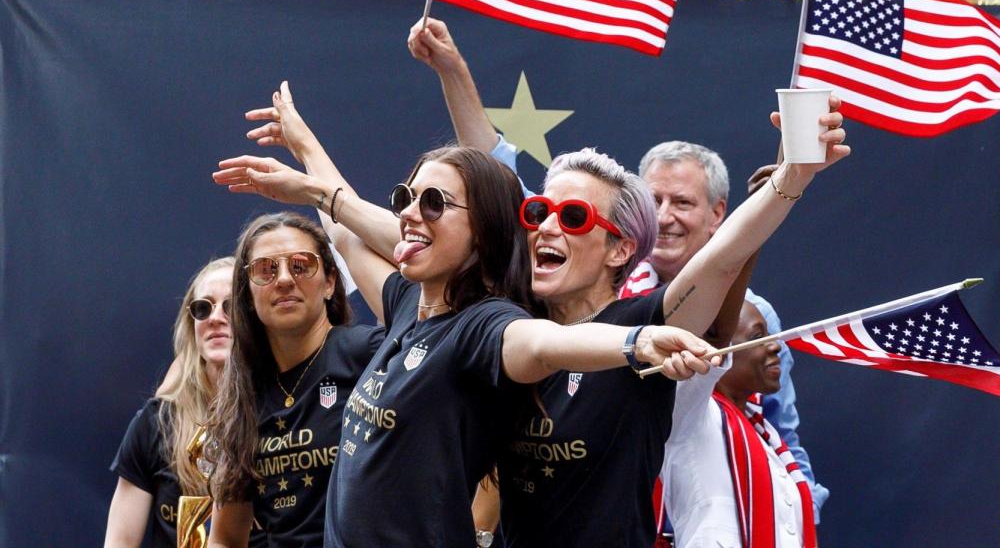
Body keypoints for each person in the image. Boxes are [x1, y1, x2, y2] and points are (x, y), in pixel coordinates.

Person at [404, 18, 844, 544]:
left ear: (620, 249)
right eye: (539, 211)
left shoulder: (646, 323)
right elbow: (491, 176)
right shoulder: (512, 313)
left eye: (572, 218)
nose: (545, 225)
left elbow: (724, 260)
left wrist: (791, 178)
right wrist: (325, 193)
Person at [214, 121, 717, 546]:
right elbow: (346, 231)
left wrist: (636, 342)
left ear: (482, 228)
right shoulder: (409, 302)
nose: (409, 212)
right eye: (406, 198)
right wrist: (304, 148)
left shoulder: (482, 324)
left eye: (433, 203)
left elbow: (542, 344)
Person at [624, 144, 830, 524]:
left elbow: (778, 430)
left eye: (682, 203)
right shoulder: (609, 296)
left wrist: (803, 516)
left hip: (718, 518)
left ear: (717, 214)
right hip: (629, 518)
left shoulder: (755, 316)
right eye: (653, 200)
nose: (664, 216)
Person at [206, 212, 385, 548]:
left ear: (330, 282)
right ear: (247, 294)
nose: (285, 279)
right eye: (266, 270)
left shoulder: (370, 355)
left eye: (301, 265)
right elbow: (226, 538)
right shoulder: (244, 391)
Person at [661, 300, 818, 548]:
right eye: (758, 336)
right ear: (719, 349)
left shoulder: (767, 439)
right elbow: (716, 333)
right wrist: (742, 259)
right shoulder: (692, 415)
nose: (775, 346)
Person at [105, 257, 234, 548]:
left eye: (231, 306)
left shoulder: (282, 412)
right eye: (203, 308)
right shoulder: (156, 421)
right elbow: (119, 542)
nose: (215, 318)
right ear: (192, 326)